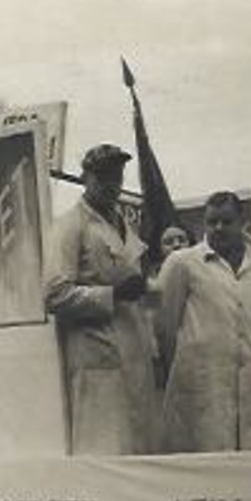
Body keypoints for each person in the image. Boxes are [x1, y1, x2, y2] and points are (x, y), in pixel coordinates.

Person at [44, 143, 159, 455]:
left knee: (139, 453)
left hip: (135, 354)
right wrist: (113, 295)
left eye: (117, 176)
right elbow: (54, 295)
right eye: (103, 176)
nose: (111, 184)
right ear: (85, 178)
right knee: (103, 453)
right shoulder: (70, 226)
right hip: (97, 357)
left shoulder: (125, 225)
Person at [156, 191, 251, 453]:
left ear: (242, 222)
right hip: (201, 388)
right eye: (212, 222)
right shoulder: (182, 263)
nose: (218, 228)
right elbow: (164, 326)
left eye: (226, 221)